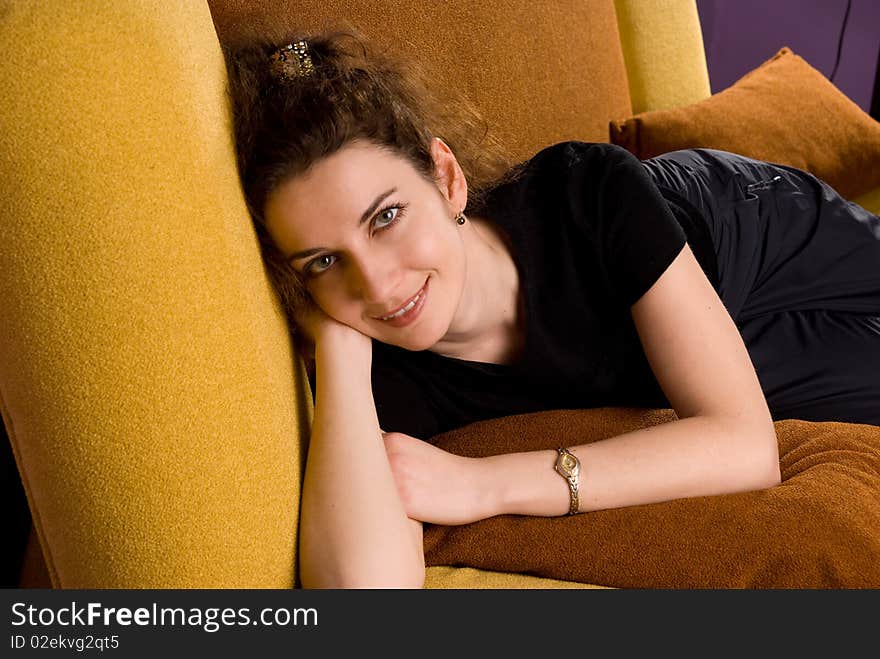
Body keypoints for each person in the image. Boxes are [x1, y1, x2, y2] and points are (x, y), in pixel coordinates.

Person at [223, 31, 880, 588]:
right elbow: (364, 595)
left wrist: (487, 483)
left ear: (447, 177)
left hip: (760, 240)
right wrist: (339, 349)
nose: (377, 284)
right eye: (322, 260)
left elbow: (745, 448)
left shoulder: (586, 193)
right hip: (729, 341)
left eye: (386, 217)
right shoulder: (378, 364)